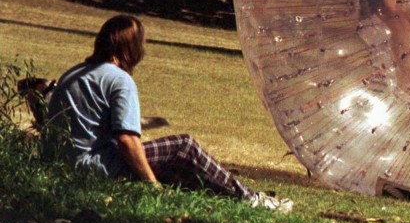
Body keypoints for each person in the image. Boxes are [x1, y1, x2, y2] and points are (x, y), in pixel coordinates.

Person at [47, 14, 291, 212]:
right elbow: (127, 140)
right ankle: (251, 199)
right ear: (130, 48)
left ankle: (217, 194)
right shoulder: (119, 80)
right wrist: (151, 186)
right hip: (97, 166)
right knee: (183, 146)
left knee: (169, 160)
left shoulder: (75, 72)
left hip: (63, 163)